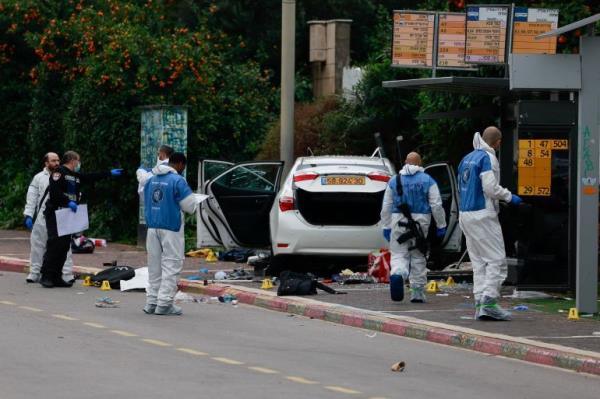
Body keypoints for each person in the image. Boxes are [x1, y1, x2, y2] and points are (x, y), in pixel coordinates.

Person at [457, 127, 522, 321]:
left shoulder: (466, 158)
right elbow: (490, 188)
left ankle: (480, 303)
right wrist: (510, 197)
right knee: (496, 261)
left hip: (465, 215)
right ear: (498, 142)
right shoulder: (488, 158)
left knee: (479, 263)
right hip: (483, 215)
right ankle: (489, 302)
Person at [40, 151, 122, 288]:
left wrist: (109, 173)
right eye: (78, 160)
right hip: (56, 213)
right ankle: (46, 276)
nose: (79, 163)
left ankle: (56, 276)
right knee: (55, 245)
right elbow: (55, 193)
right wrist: (67, 202)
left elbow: (90, 177)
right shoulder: (59, 172)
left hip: (67, 215)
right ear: (72, 160)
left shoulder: (75, 176)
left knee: (64, 246)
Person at [381, 152, 447, 303]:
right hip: (420, 222)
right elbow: (436, 205)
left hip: (398, 221)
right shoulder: (428, 180)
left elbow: (386, 206)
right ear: (420, 163)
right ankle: (417, 292)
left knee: (399, 254)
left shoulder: (394, 180)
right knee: (418, 255)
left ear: (405, 162)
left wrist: (386, 225)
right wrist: (441, 225)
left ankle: (398, 274)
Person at [142, 152, 197, 316]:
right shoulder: (177, 180)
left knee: (154, 266)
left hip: (152, 227)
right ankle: (165, 303)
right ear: (180, 164)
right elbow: (189, 206)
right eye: (183, 167)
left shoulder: (151, 179)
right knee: (171, 264)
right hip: (171, 227)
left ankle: (151, 301)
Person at [23, 152, 75, 283]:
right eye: (53, 161)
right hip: (42, 216)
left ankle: (66, 273)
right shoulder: (39, 178)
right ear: (46, 163)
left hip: (62, 215)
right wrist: (29, 214)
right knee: (37, 246)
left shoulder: (67, 175)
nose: (56, 163)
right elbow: (32, 197)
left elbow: (75, 192)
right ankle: (34, 272)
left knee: (64, 247)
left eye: (58, 160)